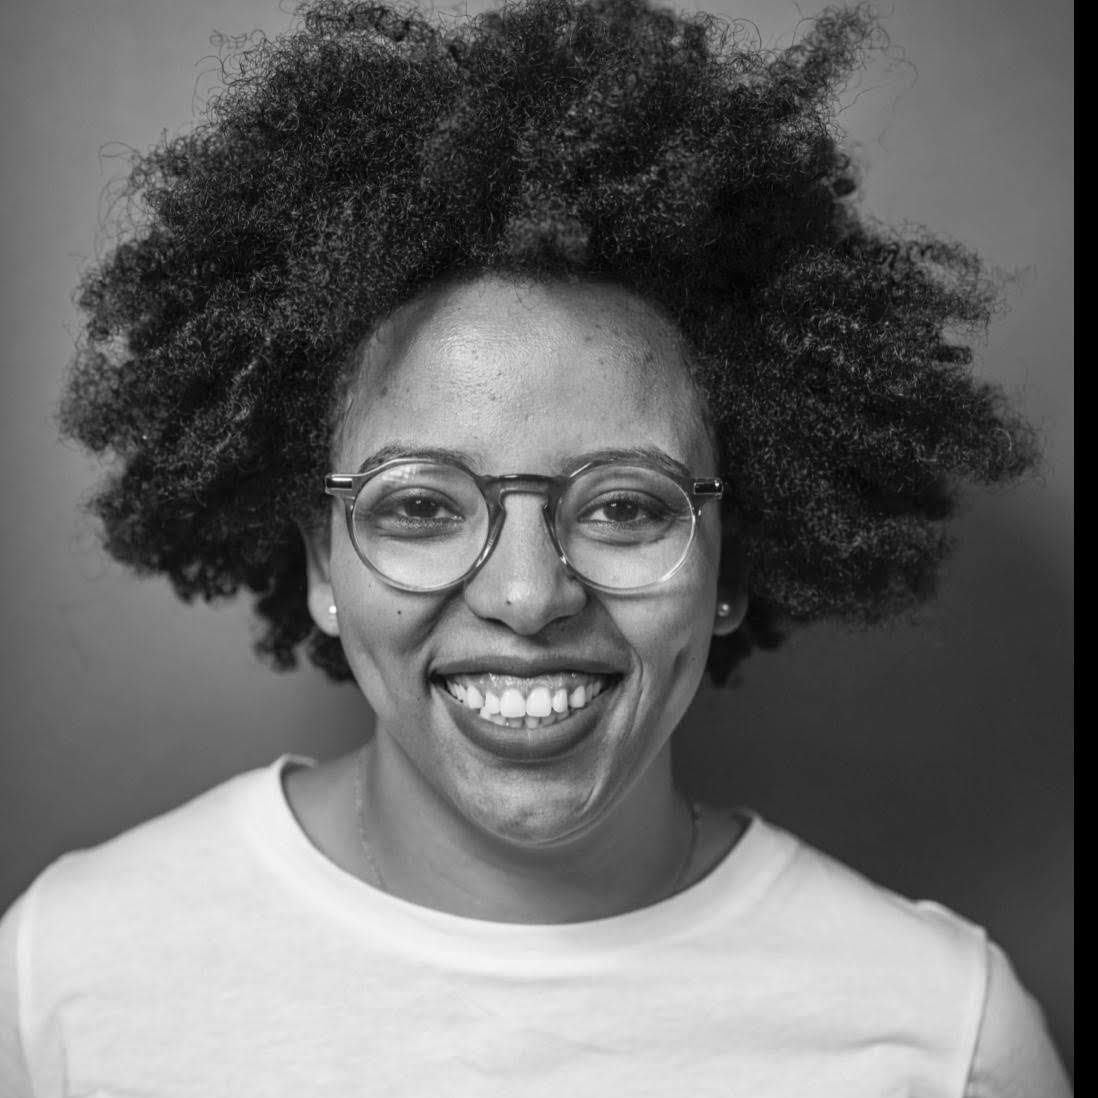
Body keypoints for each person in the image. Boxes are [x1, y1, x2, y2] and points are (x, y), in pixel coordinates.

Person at [0, 0, 1071, 1093]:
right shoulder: (67, 981)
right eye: (421, 506)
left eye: (625, 507)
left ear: (731, 564)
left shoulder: (941, 1036)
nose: (526, 594)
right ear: (323, 564)